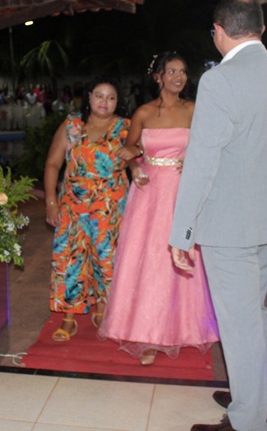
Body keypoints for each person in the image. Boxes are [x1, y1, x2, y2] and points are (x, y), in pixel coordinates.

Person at [169, 0, 267, 431]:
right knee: (253, 312)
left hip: (230, 223)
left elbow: (202, 161)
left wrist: (182, 231)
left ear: (218, 32)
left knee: (238, 320)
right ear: (262, 29)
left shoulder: (219, 80)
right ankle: (261, 397)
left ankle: (247, 419)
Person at [98, 52, 219, 366]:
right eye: (172, 71)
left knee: (183, 257)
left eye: (183, 72)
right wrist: (135, 166)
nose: (179, 77)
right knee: (151, 261)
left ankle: (186, 327)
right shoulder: (144, 112)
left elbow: (211, 147)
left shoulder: (194, 110)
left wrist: (193, 162)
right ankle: (148, 335)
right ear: (158, 77)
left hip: (183, 191)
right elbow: (130, 148)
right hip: (149, 194)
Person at [44, 77, 131, 341]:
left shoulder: (126, 128)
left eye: (111, 97)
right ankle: (69, 320)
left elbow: (144, 159)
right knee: (70, 259)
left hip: (111, 210)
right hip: (73, 207)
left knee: (106, 260)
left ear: (118, 102)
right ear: (89, 97)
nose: (105, 101)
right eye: (99, 95)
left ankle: (103, 311)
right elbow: (53, 164)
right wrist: (51, 202)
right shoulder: (71, 125)